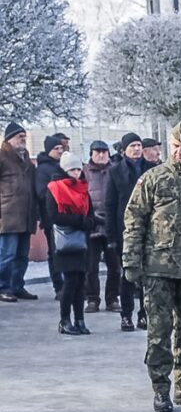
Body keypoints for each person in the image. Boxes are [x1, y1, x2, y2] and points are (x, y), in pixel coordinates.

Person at [122, 119, 181, 412]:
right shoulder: (153, 179)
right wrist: (131, 262)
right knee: (159, 333)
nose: (180, 152)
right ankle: (161, 389)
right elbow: (134, 220)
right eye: (175, 147)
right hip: (158, 269)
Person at [106, 132, 156, 331]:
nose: (136, 149)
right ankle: (126, 315)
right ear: (124, 149)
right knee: (127, 274)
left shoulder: (152, 170)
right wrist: (111, 236)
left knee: (147, 275)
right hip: (125, 230)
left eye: (138, 145)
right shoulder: (116, 171)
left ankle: (144, 314)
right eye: (132, 146)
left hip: (149, 229)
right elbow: (110, 205)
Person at [46, 152, 96, 335]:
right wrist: (80, 221)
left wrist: (90, 222)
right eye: (72, 169)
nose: (76, 173)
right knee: (70, 281)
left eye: (78, 169)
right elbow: (53, 215)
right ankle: (65, 320)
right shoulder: (55, 188)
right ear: (65, 170)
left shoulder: (83, 188)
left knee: (81, 280)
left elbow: (89, 211)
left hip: (81, 239)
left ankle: (80, 319)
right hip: (64, 240)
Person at [0, 122, 37, 303]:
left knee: (22, 255)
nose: (23, 139)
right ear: (9, 139)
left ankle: (17, 286)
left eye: (24, 136)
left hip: (26, 215)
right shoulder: (2, 157)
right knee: (7, 254)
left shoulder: (26, 159)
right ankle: (3, 287)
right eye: (19, 136)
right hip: (8, 215)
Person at [83, 140, 120, 313]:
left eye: (104, 152)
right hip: (91, 226)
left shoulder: (115, 170)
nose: (101, 154)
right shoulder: (84, 173)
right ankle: (92, 299)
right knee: (91, 267)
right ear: (91, 154)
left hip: (111, 225)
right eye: (97, 152)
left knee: (114, 266)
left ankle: (112, 298)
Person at [35, 134, 66, 299]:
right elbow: (41, 192)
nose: (60, 151)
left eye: (61, 148)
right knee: (55, 253)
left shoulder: (62, 166)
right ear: (49, 151)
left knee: (67, 250)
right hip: (51, 217)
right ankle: (58, 286)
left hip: (66, 216)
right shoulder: (43, 169)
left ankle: (68, 286)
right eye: (56, 149)